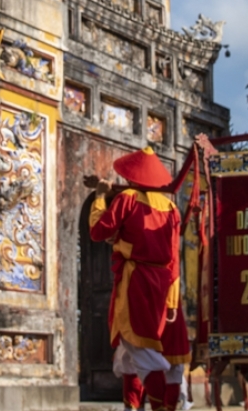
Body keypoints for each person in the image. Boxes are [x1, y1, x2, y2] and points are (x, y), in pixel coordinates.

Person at [86, 145, 191, 411]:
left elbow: (99, 231)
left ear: (133, 176)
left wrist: (100, 198)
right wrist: (172, 299)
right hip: (163, 282)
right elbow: (175, 259)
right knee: (129, 352)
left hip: (136, 282)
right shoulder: (171, 208)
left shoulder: (128, 199)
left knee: (140, 349)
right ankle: (132, 407)